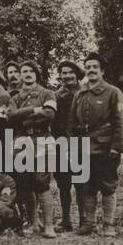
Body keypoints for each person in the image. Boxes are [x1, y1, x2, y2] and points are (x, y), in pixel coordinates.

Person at [69, 52, 123, 236]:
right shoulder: (80, 94)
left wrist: (116, 147)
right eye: (88, 67)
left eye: (95, 67)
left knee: (107, 185)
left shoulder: (112, 92)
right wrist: (73, 147)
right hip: (83, 147)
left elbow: (122, 121)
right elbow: (72, 123)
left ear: (102, 70)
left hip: (105, 147)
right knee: (87, 185)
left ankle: (108, 225)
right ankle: (89, 223)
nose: (91, 70)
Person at [7, 59, 58, 238]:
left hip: (42, 138)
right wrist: (35, 110)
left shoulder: (47, 93)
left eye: (31, 71)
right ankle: (33, 222)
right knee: (26, 183)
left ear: (36, 74)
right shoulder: (14, 97)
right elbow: (11, 117)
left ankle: (49, 225)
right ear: (20, 75)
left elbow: (50, 114)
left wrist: (27, 114)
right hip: (21, 140)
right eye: (24, 71)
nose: (27, 74)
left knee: (42, 182)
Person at [52, 59, 85, 231]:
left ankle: (84, 220)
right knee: (63, 184)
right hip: (61, 144)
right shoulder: (56, 96)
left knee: (81, 183)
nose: (67, 76)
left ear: (77, 74)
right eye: (64, 73)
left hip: (80, 144)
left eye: (70, 72)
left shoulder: (86, 93)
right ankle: (66, 220)